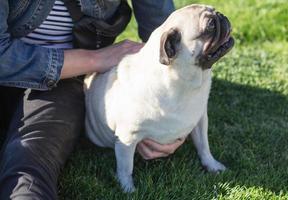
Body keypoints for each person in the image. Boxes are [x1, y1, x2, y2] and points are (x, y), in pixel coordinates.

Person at [0, 0, 185, 199]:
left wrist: (177, 123)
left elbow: (163, 33)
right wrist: (96, 59)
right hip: (56, 64)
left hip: (66, 78)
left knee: (30, 156)